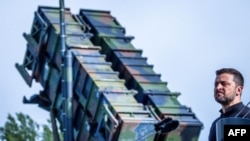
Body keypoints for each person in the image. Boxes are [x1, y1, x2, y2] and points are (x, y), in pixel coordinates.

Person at [208, 68, 250, 141]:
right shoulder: (216, 123)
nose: (218, 87)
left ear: (238, 90)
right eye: (216, 84)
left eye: (224, 84)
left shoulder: (248, 116)